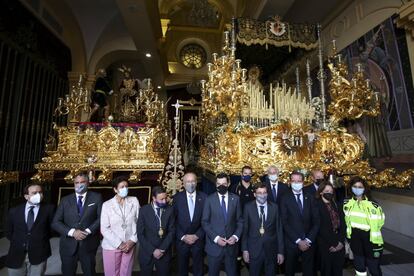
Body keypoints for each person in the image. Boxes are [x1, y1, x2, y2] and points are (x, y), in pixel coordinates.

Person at [52, 173, 102, 276]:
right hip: (68, 245)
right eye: (76, 183)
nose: (79, 185)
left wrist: (87, 231)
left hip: (88, 244)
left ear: (88, 183)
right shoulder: (65, 200)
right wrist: (72, 232)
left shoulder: (96, 198)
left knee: (90, 272)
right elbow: (56, 222)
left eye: (82, 182)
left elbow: (101, 218)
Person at [6, 183, 55, 276]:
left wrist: (39, 239)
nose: (38, 195)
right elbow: (8, 232)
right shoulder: (14, 211)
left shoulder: (49, 209)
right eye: (34, 193)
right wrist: (20, 241)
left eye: (40, 192)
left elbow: (52, 230)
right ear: (26, 196)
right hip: (16, 252)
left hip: (40, 252)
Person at [202, 172, 243, 276]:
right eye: (219, 184)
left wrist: (235, 236)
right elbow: (205, 222)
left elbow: (240, 221)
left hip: (231, 247)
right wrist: (216, 238)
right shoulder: (209, 200)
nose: (221, 186)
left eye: (224, 184)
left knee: (232, 273)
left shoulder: (236, 199)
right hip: (214, 247)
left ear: (228, 184)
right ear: (216, 184)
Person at [280, 171, 320, 276]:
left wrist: (307, 240)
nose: (296, 183)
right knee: (289, 271)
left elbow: (316, 221)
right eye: (293, 181)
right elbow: (284, 222)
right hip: (292, 242)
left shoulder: (310, 197)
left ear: (303, 182)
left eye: (299, 181)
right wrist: (298, 241)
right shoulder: (284, 198)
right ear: (290, 182)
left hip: (309, 242)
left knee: (309, 271)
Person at [344, 177, 385, 276]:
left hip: (371, 239)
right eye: (355, 186)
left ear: (364, 188)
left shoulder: (373, 205)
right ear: (351, 187)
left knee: (373, 267)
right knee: (359, 266)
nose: (357, 189)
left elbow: (381, 222)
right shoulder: (347, 203)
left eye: (360, 187)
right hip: (355, 238)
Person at [242, 183, 284, 276]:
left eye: (264, 192)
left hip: (271, 250)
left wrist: (280, 252)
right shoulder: (248, 207)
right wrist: (245, 250)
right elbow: (245, 230)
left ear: (267, 194)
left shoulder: (275, 207)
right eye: (259, 193)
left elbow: (279, 230)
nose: (262, 195)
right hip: (254, 249)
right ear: (254, 194)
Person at [101, 176, 140, 276]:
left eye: (126, 186)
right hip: (112, 246)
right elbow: (104, 229)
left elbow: (140, 223)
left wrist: (132, 240)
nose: (125, 189)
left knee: (126, 273)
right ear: (115, 189)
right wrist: (119, 244)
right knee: (112, 274)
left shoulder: (134, 200)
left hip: (129, 245)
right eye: (122, 187)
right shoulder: (107, 205)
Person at [173, 172, 207, 276]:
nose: (191, 184)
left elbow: (206, 220)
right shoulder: (177, 198)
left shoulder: (205, 197)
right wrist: (183, 236)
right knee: (182, 269)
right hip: (182, 240)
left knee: (198, 269)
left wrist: (197, 235)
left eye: (193, 181)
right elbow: (174, 221)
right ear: (183, 183)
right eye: (188, 181)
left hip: (198, 240)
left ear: (196, 182)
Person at [137, 186, 175, 275]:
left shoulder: (170, 209)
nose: (164, 201)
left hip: (164, 252)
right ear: (154, 198)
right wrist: (153, 250)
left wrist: (162, 249)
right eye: (161, 199)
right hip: (147, 253)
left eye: (165, 198)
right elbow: (140, 234)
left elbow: (172, 231)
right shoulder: (144, 210)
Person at [316, 181, 346, 276]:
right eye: (326, 191)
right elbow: (320, 228)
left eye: (331, 191)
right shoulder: (316, 205)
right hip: (326, 245)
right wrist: (334, 243)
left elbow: (343, 224)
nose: (329, 193)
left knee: (338, 271)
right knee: (327, 271)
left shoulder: (336, 204)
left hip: (339, 243)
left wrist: (340, 242)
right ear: (321, 192)